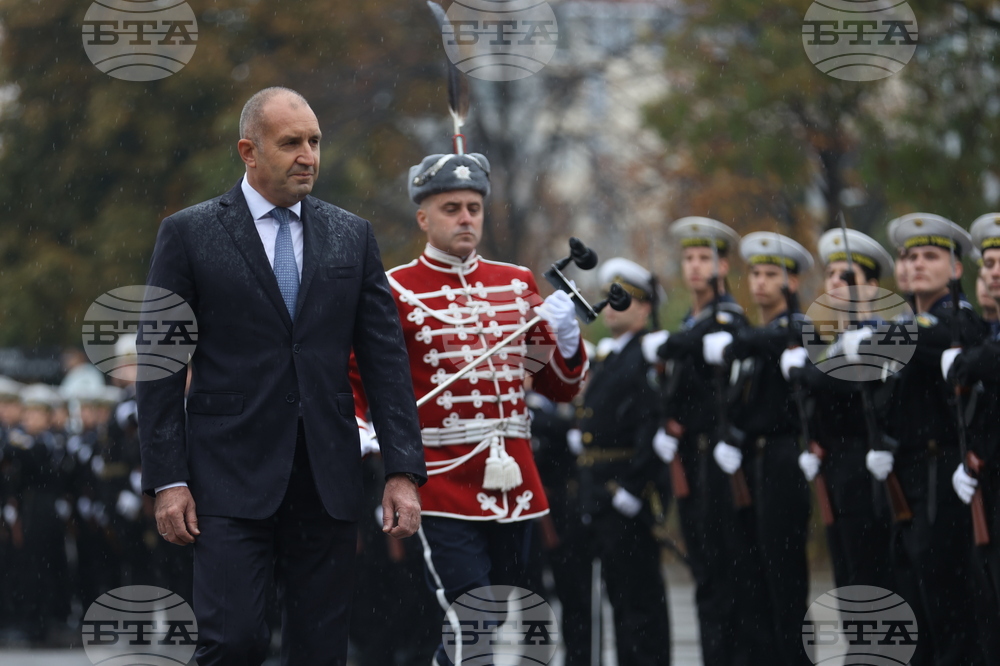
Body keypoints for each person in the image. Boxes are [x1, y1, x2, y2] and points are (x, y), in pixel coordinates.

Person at [136, 87, 425, 666]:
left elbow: (385, 362)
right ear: (248, 150)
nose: (308, 156)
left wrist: (402, 470)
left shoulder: (353, 235)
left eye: (314, 141)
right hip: (226, 480)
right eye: (291, 143)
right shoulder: (189, 234)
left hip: (328, 479)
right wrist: (167, 479)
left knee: (320, 650)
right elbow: (160, 366)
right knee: (234, 639)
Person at [351, 149, 586, 666]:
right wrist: (362, 427)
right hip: (441, 481)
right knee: (471, 612)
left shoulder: (516, 282)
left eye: (473, 208)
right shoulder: (394, 290)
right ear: (423, 217)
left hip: (514, 481)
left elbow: (556, 386)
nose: (465, 218)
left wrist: (563, 339)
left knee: (492, 611)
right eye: (451, 207)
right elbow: (354, 377)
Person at [877, 212, 989, 665]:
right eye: (908, 257)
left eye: (930, 256)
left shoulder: (959, 321)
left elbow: (925, 340)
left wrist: (872, 335)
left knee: (948, 608)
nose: (916, 265)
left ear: (957, 269)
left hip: (942, 473)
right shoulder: (905, 324)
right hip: (908, 474)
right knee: (913, 605)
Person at [701, 231, 814, 666]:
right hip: (750, 463)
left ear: (792, 283)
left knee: (784, 584)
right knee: (748, 578)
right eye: (756, 274)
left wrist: (735, 343)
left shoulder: (792, 330)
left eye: (772, 274)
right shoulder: (753, 334)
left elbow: (782, 339)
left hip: (783, 461)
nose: (762, 282)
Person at [650, 217, 748, 665]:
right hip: (692, 459)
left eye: (704, 258)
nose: (694, 267)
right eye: (689, 258)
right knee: (704, 572)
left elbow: (691, 351)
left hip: (719, 458)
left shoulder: (727, 318)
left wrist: (671, 344)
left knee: (725, 572)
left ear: (723, 265)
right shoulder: (691, 320)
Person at [569, 257, 670, 666]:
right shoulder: (613, 356)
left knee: (639, 604)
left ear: (645, 308)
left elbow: (653, 428)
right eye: (609, 298)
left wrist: (634, 487)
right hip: (602, 494)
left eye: (623, 299)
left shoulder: (645, 354)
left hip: (627, 494)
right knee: (620, 599)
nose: (611, 306)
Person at [786, 228, 894, 591]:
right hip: (838, 473)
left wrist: (807, 372)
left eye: (846, 276)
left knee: (872, 577)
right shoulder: (833, 344)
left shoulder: (880, 337)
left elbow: (846, 383)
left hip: (870, 472)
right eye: (831, 274)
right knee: (846, 578)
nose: (834, 282)